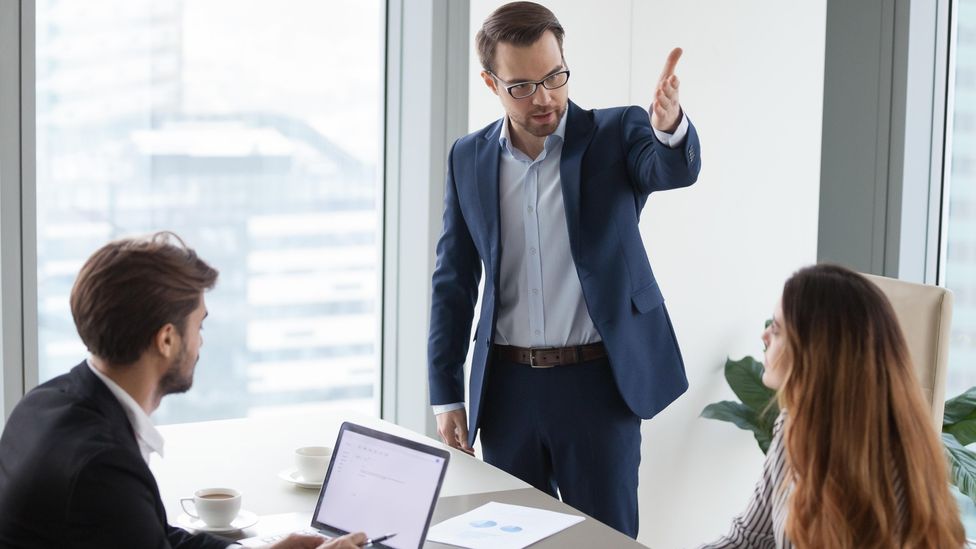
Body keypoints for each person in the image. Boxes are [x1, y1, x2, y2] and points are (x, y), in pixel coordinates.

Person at [427, 1, 701, 537]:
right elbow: (453, 282)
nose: (545, 97)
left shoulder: (615, 134)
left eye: (555, 76)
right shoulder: (468, 158)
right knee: (509, 540)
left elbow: (670, 169)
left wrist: (669, 129)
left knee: (606, 542)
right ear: (491, 83)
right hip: (507, 392)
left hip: (599, 385)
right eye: (523, 86)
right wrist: (446, 394)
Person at [0, 232, 365, 549]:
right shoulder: (101, 469)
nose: (201, 342)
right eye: (198, 325)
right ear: (167, 339)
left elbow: (154, 537)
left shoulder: (44, 402)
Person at [701, 264, 965, 548]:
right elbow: (747, 540)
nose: (765, 336)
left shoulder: (889, 465)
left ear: (816, 352)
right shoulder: (794, 425)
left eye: (776, 329)